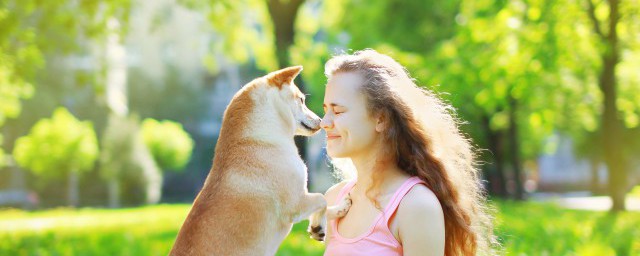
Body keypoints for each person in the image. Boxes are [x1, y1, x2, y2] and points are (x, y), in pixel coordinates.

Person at [319, 49, 495, 256]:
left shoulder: (416, 206)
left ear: (381, 118)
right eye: (325, 111)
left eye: (338, 111)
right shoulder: (333, 200)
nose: (324, 123)